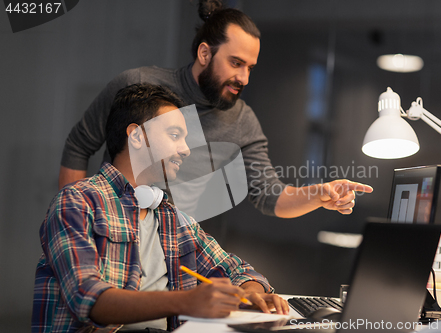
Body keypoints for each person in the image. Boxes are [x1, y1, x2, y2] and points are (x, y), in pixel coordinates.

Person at [59, 0, 372, 219]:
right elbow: (79, 145)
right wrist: (77, 221)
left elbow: (269, 195)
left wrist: (320, 194)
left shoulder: (242, 121)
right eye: (236, 63)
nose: (244, 78)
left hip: (173, 250)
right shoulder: (136, 84)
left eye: (250, 67)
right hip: (111, 234)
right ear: (205, 53)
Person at [32, 83, 288, 333]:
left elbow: (237, 270)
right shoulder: (76, 202)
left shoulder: (173, 218)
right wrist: (187, 301)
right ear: (136, 136)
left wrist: (251, 293)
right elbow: (88, 299)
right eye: (175, 136)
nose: (186, 150)